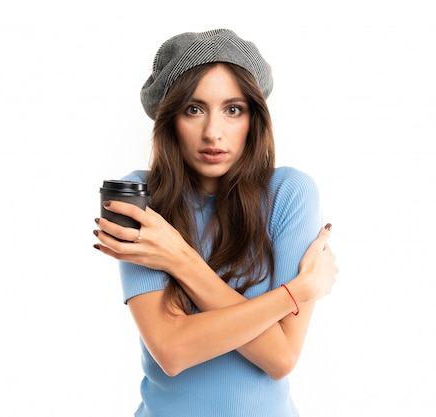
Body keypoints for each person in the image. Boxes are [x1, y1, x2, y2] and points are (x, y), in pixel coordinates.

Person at [93, 28, 338, 417]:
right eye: (194, 109)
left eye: (233, 109)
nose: (213, 132)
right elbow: (172, 351)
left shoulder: (290, 193)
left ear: (253, 118)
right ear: (170, 117)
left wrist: (178, 259)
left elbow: (281, 357)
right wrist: (298, 292)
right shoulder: (139, 197)